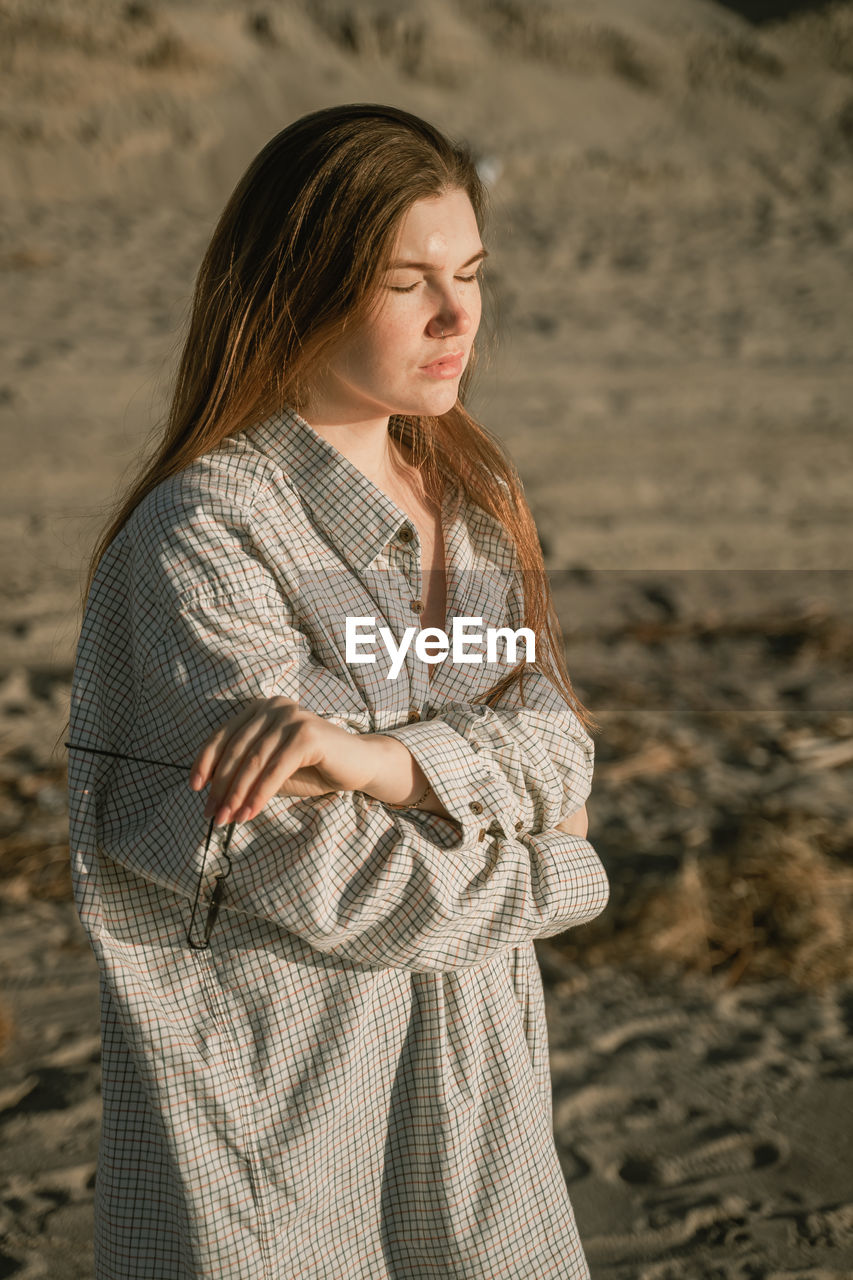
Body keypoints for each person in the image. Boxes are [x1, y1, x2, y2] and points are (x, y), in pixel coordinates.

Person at [66, 103, 610, 1280]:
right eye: (408, 280)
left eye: (470, 273)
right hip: (284, 1115)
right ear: (297, 284)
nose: (459, 315)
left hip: (480, 1102)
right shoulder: (197, 539)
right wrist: (562, 869)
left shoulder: (468, 495)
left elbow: (560, 746)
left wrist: (389, 764)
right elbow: (327, 872)